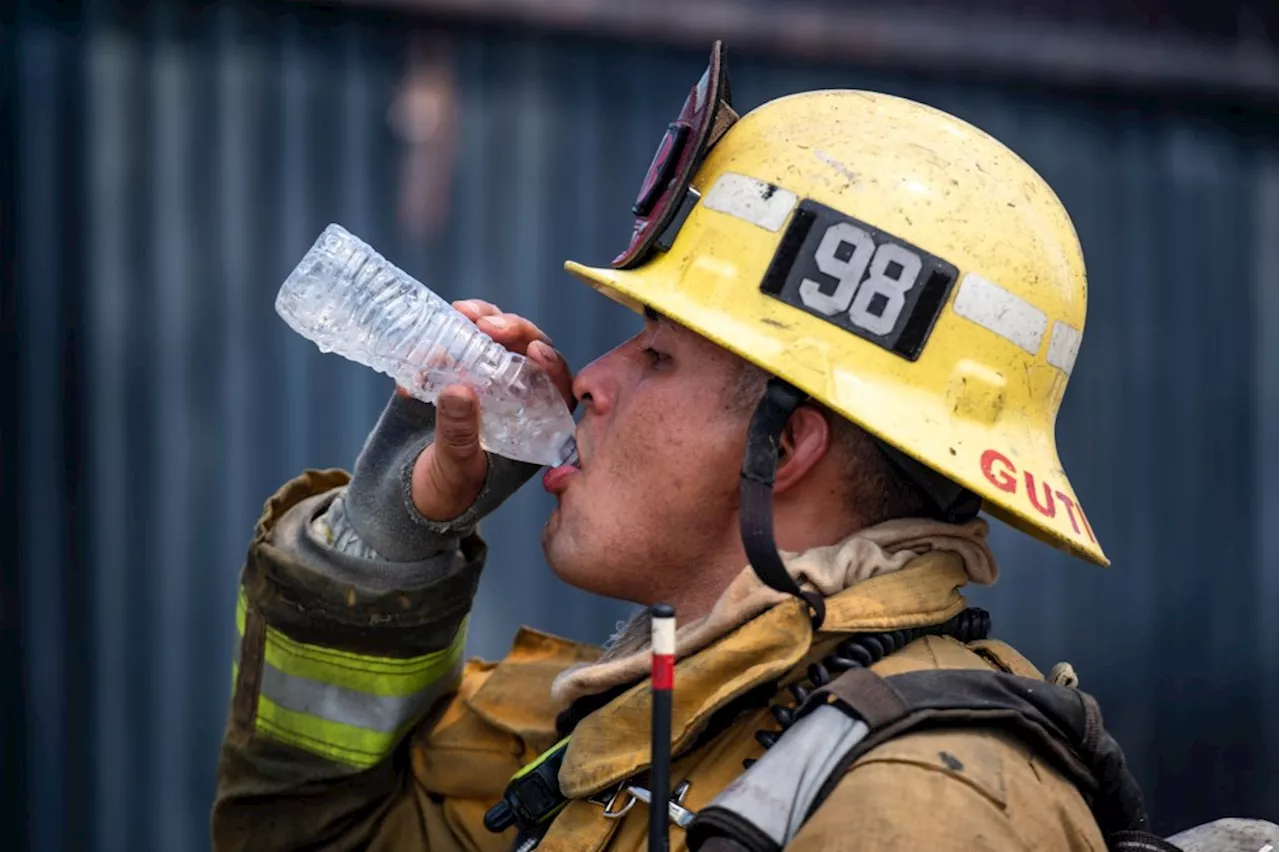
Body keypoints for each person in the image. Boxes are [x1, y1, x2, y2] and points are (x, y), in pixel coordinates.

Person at [211, 42, 1132, 851]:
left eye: (655, 351)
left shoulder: (922, 811)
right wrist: (390, 537)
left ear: (790, 443)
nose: (587, 380)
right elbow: (316, 833)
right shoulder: (632, 730)